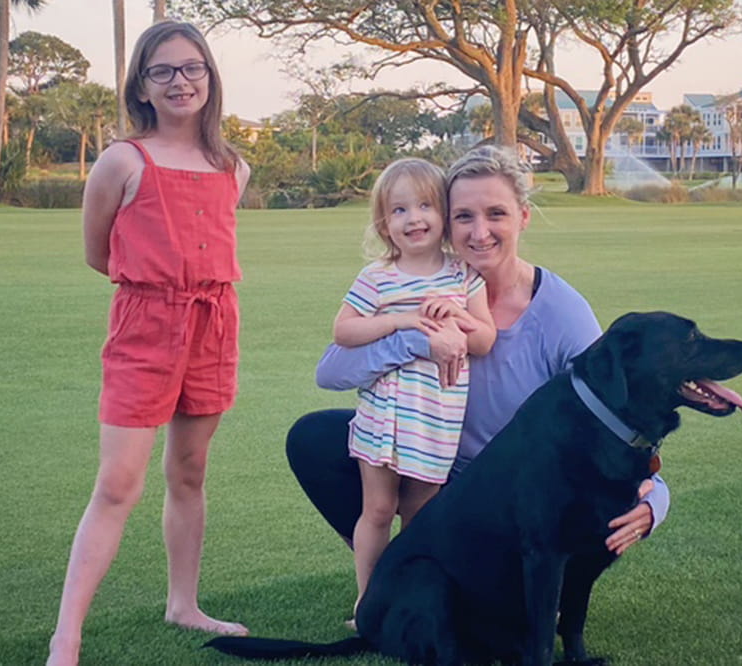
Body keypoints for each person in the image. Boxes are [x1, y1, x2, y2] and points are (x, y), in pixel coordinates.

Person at [289, 145, 668, 570]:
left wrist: (657, 495)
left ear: (523, 217)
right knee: (314, 438)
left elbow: (617, 412)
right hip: (438, 463)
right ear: (446, 224)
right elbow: (332, 371)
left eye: (496, 214)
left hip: (514, 488)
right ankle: (389, 582)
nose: (479, 231)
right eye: (464, 216)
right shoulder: (416, 287)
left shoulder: (562, 311)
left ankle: (509, 583)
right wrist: (420, 337)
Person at [47, 21, 250, 666]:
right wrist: (155, 292)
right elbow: (96, 253)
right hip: (144, 326)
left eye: (192, 68)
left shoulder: (232, 166)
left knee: (189, 471)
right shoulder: (122, 160)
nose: (181, 81)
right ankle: (66, 636)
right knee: (118, 483)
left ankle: (183, 604)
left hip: (214, 324)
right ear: (141, 84)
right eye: (163, 71)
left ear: (210, 76)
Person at [334, 158, 496, 616]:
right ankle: (367, 601)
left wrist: (457, 315)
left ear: (443, 215)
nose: (414, 218)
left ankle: (411, 600)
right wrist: (403, 320)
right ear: (385, 224)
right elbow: (343, 331)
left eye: (425, 206)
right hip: (382, 418)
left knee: (422, 517)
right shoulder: (377, 278)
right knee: (379, 511)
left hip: (436, 419)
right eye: (400, 210)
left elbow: (484, 340)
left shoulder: (462, 277)